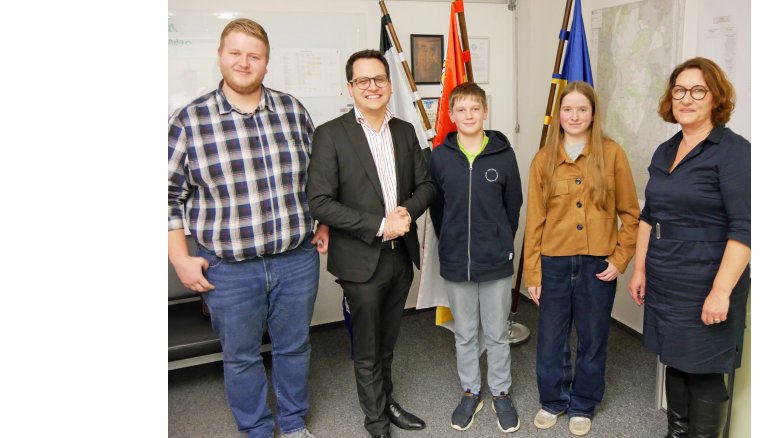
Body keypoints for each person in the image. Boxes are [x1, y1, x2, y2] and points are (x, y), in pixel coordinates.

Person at [167, 18, 328, 438]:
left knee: (295, 347)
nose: (244, 62)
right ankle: (256, 429)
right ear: (220, 56)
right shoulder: (189, 120)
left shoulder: (292, 111)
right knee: (240, 356)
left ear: (266, 63)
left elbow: (320, 178)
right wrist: (180, 259)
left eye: (254, 55)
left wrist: (323, 221)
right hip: (229, 268)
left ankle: (293, 424)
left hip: (296, 260)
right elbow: (165, 197)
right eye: (235, 53)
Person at [306, 49, 436, 438]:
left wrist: (404, 216)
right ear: (350, 87)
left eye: (379, 79)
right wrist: (381, 224)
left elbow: (427, 185)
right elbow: (321, 202)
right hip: (359, 260)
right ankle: (376, 422)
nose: (372, 87)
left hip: (400, 256)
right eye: (363, 80)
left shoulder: (405, 131)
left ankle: (386, 401)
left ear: (389, 83)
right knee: (366, 347)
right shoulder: (330, 134)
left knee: (388, 342)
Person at [627, 57, 751, 438]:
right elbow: (650, 215)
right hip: (666, 279)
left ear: (715, 98)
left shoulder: (733, 152)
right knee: (675, 363)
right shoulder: (666, 150)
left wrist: (721, 291)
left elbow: (745, 229)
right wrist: (641, 269)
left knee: (706, 370)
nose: (687, 98)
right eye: (680, 90)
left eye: (698, 90)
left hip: (706, 281)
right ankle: (676, 433)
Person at [522, 81, 640, 436]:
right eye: (568, 109)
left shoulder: (613, 154)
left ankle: (583, 402)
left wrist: (619, 260)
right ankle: (554, 400)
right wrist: (533, 272)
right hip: (554, 262)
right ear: (559, 114)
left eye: (582, 109)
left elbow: (631, 214)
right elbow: (534, 220)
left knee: (593, 337)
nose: (575, 116)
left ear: (593, 113)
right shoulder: (544, 158)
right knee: (552, 339)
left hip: (597, 265)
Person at [428, 83, 524, 433]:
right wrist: (454, 239)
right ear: (451, 116)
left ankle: (500, 392)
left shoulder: (503, 154)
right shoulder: (439, 156)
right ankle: (471, 390)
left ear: (485, 112)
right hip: (456, 260)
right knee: (465, 333)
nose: (468, 115)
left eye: (475, 108)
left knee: (497, 332)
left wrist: (499, 239)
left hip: (495, 259)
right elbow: (437, 207)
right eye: (461, 110)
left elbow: (513, 205)